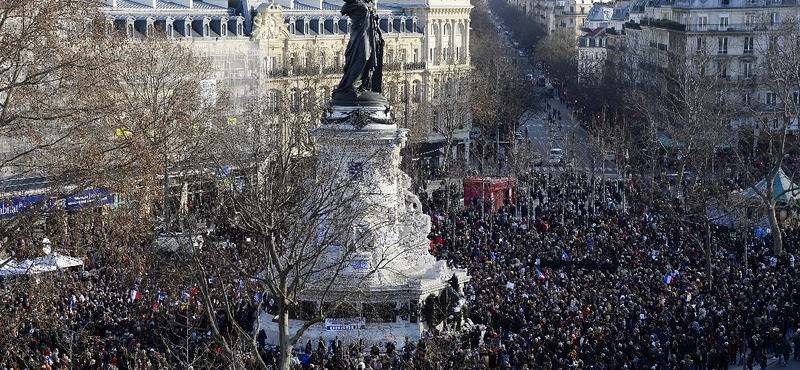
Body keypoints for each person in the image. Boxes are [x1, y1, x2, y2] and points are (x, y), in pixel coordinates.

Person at [332, 0, 383, 98]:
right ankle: (350, 85)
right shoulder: (354, 4)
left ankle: (362, 84)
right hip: (359, 33)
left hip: (369, 34)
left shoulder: (368, 4)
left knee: (369, 57)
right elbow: (344, 9)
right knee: (363, 56)